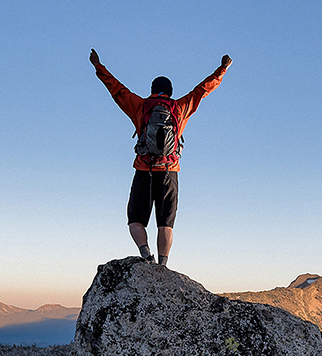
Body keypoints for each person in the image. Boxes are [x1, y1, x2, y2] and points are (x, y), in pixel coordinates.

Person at [90, 49, 231, 266]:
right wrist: (222, 70)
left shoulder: (140, 105)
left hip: (143, 169)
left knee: (136, 220)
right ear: (170, 92)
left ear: (152, 90)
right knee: (166, 223)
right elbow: (202, 90)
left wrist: (98, 66)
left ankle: (147, 256)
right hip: (169, 171)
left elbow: (116, 89)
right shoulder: (180, 107)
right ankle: (163, 265)